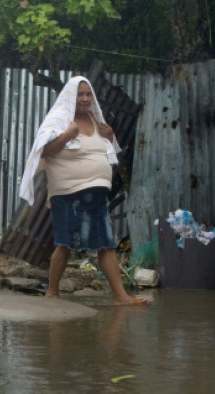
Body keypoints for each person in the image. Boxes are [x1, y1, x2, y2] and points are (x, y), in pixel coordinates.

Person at [19, 76, 147, 304]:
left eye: (89, 94)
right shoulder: (58, 119)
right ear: (70, 97)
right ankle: (53, 292)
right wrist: (67, 135)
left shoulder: (96, 120)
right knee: (65, 244)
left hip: (97, 193)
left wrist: (109, 136)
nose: (86, 99)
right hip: (68, 194)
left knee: (105, 244)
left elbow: (110, 152)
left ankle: (121, 296)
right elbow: (43, 150)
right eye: (80, 94)